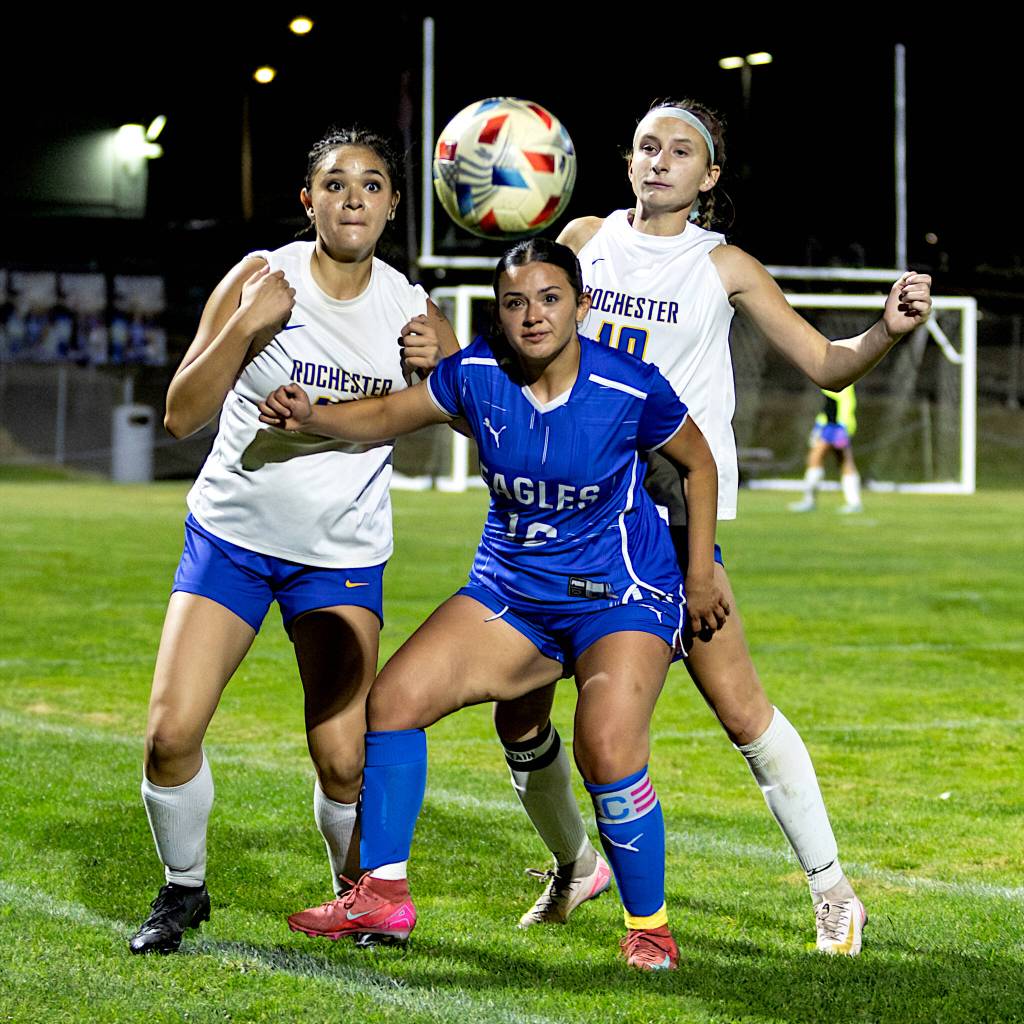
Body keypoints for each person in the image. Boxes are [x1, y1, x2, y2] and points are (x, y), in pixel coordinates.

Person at [491, 99, 932, 957]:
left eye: (681, 150)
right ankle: (577, 863)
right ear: (627, 162)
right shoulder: (583, 241)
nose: (660, 160)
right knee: (519, 713)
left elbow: (826, 364)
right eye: (647, 146)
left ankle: (834, 890)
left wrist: (887, 327)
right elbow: (527, 341)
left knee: (739, 710)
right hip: (570, 512)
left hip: (667, 522)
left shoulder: (722, 265)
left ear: (710, 176)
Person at [260, 238, 729, 971]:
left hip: (618, 598)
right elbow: (387, 414)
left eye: (549, 298)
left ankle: (651, 931)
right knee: (394, 703)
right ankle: (381, 895)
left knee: (604, 744)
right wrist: (312, 415)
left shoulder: (630, 386)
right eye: (515, 301)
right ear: (498, 313)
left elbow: (698, 464)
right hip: (512, 592)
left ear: (583, 305)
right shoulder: (477, 373)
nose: (532, 314)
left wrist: (699, 573)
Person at [128, 127, 459, 954]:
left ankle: (358, 899)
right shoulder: (258, 277)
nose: (354, 197)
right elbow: (179, 414)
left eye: (373, 184)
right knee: (170, 734)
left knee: (345, 760)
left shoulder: (412, 311)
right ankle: (184, 889)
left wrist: (452, 364)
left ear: (391, 206)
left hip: (339, 555)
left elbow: (476, 423)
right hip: (232, 540)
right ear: (307, 200)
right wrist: (246, 327)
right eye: (335, 183)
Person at [789, 385, 863, 513]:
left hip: (836, 428)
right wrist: (819, 426)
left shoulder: (842, 381)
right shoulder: (830, 382)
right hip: (829, 426)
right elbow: (828, 408)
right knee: (844, 462)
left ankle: (809, 501)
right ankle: (854, 502)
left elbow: (847, 403)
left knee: (815, 459)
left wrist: (842, 428)